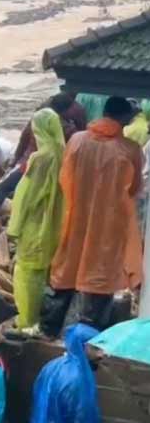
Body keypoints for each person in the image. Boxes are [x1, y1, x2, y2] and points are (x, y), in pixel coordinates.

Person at [43, 96, 144, 336]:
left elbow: (64, 178)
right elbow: (134, 188)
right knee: (101, 277)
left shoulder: (77, 140)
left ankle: (49, 327)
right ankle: (92, 332)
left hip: (75, 216)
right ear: (124, 118)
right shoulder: (130, 149)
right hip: (108, 222)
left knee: (66, 270)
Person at [7, 108, 66, 331]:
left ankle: (27, 321)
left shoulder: (40, 158)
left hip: (35, 225)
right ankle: (40, 319)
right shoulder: (64, 154)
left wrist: (14, 228)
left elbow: (25, 196)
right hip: (54, 226)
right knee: (43, 275)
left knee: (26, 275)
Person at [0, 93, 87, 218]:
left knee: (3, 187)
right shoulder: (70, 127)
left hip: (30, 163)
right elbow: (79, 146)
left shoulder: (39, 118)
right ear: (67, 109)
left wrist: (16, 159)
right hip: (55, 169)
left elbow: (24, 138)